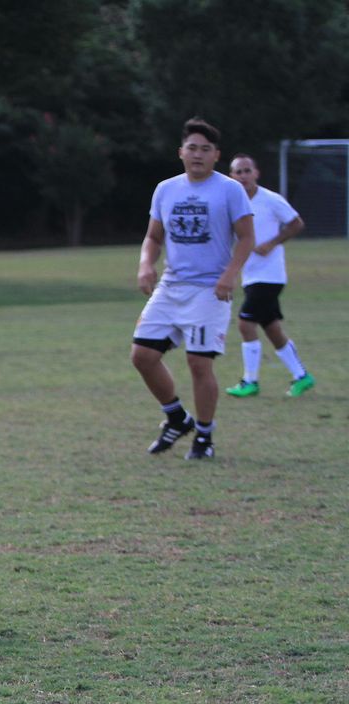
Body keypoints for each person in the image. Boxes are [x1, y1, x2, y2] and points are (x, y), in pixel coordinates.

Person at [133, 118, 254, 460]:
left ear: (216, 155)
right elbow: (153, 237)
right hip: (171, 286)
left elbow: (247, 238)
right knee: (142, 356)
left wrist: (230, 275)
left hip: (209, 290)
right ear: (181, 153)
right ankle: (176, 417)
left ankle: (204, 436)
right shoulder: (165, 189)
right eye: (192, 148)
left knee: (199, 363)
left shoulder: (229, 189)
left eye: (205, 149)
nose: (198, 154)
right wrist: (145, 264)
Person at [224, 153, 315, 398]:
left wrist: (272, 243)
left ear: (256, 173)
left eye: (247, 170)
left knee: (245, 323)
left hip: (270, 276)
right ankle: (302, 376)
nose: (243, 176)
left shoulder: (271, 199)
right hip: (250, 275)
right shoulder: (233, 203)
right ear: (232, 176)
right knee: (272, 329)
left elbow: (296, 223)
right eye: (238, 172)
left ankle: (250, 381)